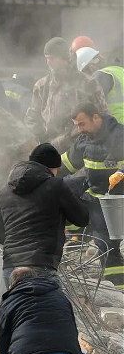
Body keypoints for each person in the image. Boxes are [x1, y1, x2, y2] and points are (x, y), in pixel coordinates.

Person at [0, 143, 89, 285]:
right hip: (41, 265)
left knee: (17, 300)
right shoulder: (55, 185)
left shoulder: (4, 190)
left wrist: (15, 239)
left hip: (11, 268)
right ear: (52, 167)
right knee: (47, 300)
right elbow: (82, 219)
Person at [59, 103, 124, 285]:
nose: (79, 130)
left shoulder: (119, 135)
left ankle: (118, 286)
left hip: (116, 200)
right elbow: (65, 165)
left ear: (96, 117)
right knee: (60, 187)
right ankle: (76, 232)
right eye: (77, 125)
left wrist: (121, 172)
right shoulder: (85, 140)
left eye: (82, 124)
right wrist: (42, 174)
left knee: (105, 243)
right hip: (95, 193)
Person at [25, 37, 107, 152]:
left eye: (52, 58)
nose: (48, 62)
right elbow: (32, 117)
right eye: (47, 58)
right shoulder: (42, 85)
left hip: (81, 147)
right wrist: (42, 139)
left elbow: (102, 115)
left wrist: (76, 137)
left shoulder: (87, 83)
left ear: (64, 58)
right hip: (49, 148)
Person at [75, 46, 124, 124]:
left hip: (118, 126)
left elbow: (91, 106)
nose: (86, 77)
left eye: (85, 73)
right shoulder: (119, 70)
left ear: (91, 67)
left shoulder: (100, 76)